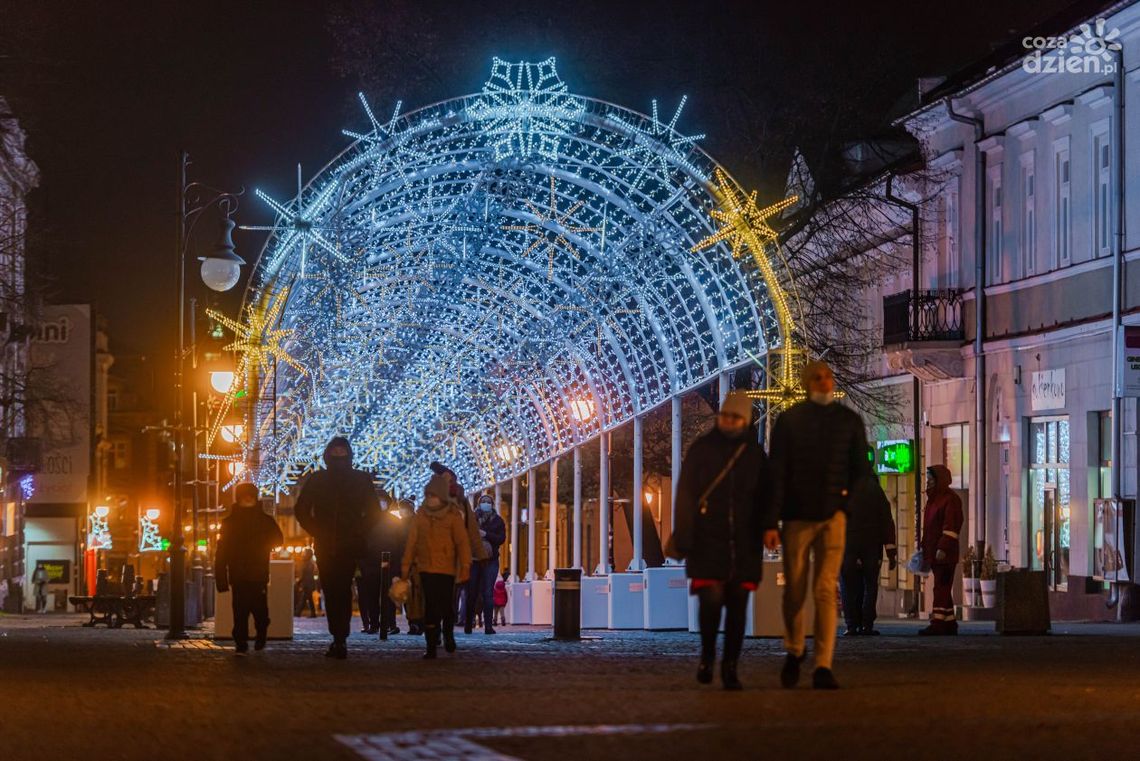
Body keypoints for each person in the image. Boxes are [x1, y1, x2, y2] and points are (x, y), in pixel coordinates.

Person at [766, 359, 869, 690]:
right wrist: (771, 520)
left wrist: (845, 508)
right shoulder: (789, 422)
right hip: (797, 517)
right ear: (807, 383)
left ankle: (823, 664)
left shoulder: (849, 422)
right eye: (818, 378)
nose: (824, 382)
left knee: (825, 590)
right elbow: (777, 473)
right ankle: (795, 648)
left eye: (828, 377)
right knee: (795, 589)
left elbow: (860, 472)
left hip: (832, 517)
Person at [673, 390, 774, 690]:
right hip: (707, 540)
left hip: (744, 541)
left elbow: (766, 497)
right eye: (726, 415)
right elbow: (686, 495)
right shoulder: (702, 449)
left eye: (736, 417)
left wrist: (769, 526)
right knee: (711, 601)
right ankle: (707, 656)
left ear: (744, 420)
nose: (729, 421)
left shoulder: (754, 455)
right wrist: (684, 535)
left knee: (737, 607)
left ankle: (730, 665)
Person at [294, 436, 381, 659]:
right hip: (330, 542)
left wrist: (358, 531)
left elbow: (373, 513)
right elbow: (302, 509)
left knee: (338, 590)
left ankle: (340, 637)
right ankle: (339, 636)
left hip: (343, 543)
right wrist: (318, 530)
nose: (340, 455)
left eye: (343, 451)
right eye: (337, 451)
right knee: (335, 590)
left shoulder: (354, 479)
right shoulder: (322, 479)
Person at [401, 473, 471, 659]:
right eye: (428, 495)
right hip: (425, 567)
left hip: (447, 568)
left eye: (434, 495)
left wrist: (465, 565)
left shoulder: (452, 515)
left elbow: (462, 542)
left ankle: (448, 635)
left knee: (447, 605)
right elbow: (411, 542)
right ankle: (431, 644)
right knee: (430, 606)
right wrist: (406, 566)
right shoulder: (421, 516)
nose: (430, 499)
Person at [215, 483, 284, 655]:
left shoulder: (264, 520)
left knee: (260, 609)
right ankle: (241, 642)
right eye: (244, 496)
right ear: (238, 498)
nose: (247, 499)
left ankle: (261, 633)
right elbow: (222, 552)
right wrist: (221, 579)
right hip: (239, 573)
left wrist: (262, 547)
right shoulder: (230, 522)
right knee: (240, 611)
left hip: (258, 572)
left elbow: (278, 539)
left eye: (250, 496)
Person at [840, 447, 898, 636]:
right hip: (872, 546)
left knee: (849, 585)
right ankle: (867, 625)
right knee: (870, 585)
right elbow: (886, 520)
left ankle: (851, 625)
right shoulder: (875, 489)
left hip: (847, 545)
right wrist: (891, 551)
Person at [919, 464, 964, 636]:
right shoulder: (934, 499)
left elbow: (951, 526)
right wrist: (925, 548)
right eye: (927, 479)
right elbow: (929, 528)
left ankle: (938, 623)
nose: (928, 483)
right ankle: (949, 622)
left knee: (941, 588)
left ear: (939, 481)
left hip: (945, 555)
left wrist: (942, 548)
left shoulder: (950, 500)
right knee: (942, 587)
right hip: (935, 553)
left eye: (930, 479)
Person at [464, 493, 506, 634]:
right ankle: (468, 624)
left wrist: (486, 534)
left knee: (488, 592)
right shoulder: (472, 519)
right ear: (479, 503)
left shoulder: (498, 521)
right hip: (474, 560)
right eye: (484, 501)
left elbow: (501, 539)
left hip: (490, 560)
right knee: (472, 592)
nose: (486, 503)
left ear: (492, 504)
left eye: (489, 501)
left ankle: (488, 626)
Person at [296, 548, 319, 617]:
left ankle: (298, 613)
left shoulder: (307, 563)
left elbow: (304, 575)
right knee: (307, 599)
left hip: (307, 584)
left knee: (305, 599)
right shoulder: (309, 563)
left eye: (304, 553)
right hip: (308, 584)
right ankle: (311, 613)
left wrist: (299, 582)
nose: (303, 554)